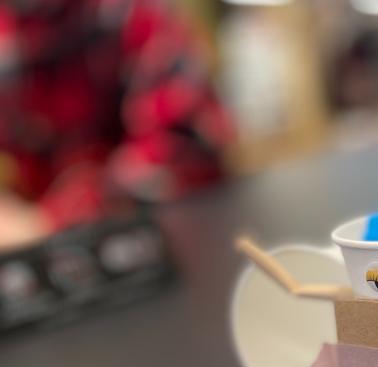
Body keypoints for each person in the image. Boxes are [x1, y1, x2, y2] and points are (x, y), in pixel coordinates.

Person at [0, 0, 233, 249]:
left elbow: (183, 152)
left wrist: (47, 221)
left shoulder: (129, 13)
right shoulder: (10, 33)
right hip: (62, 254)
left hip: (175, 241)